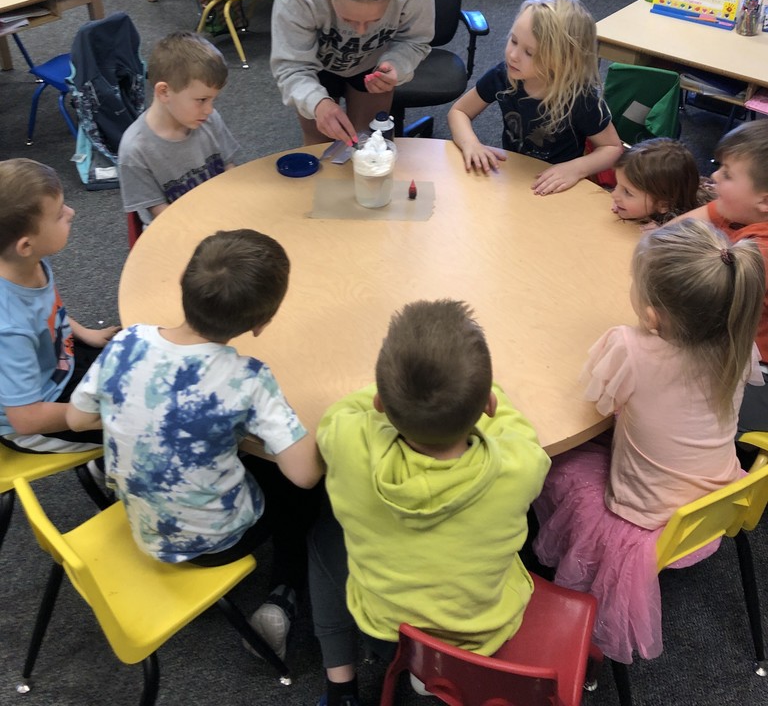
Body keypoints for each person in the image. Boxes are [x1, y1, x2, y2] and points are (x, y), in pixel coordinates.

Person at [66, 229, 323, 660]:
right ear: (261, 323)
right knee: (303, 493)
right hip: (217, 542)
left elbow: (76, 418)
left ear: (182, 286)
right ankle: (283, 593)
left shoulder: (128, 340)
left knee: (225, 444)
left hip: (143, 526)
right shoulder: (248, 378)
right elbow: (304, 473)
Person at [533, 219, 765, 664]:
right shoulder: (738, 341)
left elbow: (597, 404)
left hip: (642, 516)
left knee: (555, 461)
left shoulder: (629, 346)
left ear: (653, 314)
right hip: (717, 496)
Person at [308, 299, 550, 706]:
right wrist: (489, 396)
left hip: (386, 632)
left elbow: (341, 412)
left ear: (381, 405)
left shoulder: (351, 445)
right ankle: (435, 680)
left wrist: (391, 392)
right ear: (487, 406)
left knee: (322, 538)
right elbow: (516, 426)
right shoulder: (520, 466)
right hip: (481, 637)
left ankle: (341, 689)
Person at [270, 0, 435, 146]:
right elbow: (291, 65)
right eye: (348, 19)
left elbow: (416, 40)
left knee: (369, 143)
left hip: (373, 65)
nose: (360, 32)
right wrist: (317, 103)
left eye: (374, 20)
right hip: (314, 64)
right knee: (321, 146)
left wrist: (397, 65)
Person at [447, 0, 623, 195]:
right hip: (514, 174)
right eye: (513, 41)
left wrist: (575, 169)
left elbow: (612, 148)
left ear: (561, 60)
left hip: (558, 186)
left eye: (529, 53)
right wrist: (471, 144)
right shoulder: (503, 75)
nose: (512, 56)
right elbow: (459, 111)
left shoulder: (580, 97)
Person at [0, 159, 118, 455]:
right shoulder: (8, 327)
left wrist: (84, 334)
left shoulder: (26, 261)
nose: (72, 212)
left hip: (60, 365)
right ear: (25, 245)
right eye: (59, 213)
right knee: (159, 423)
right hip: (42, 414)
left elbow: (47, 310)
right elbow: (26, 419)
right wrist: (97, 417)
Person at [676, 119, 768, 433]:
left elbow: (695, 297)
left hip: (757, 375)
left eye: (727, 174)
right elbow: (669, 236)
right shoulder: (741, 210)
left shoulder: (760, 255)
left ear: (765, 200)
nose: (713, 175)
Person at [118, 31, 239, 223]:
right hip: (178, 231)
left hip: (221, 216)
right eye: (202, 100)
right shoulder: (135, 150)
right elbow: (162, 215)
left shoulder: (208, 119)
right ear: (164, 92)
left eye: (212, 100)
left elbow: (229, 168)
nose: (209, 109)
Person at [610, 137, 714, 227]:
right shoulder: (657, 201)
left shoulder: (689, 226)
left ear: (663, 205)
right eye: (618, 185)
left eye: (627, 192)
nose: (613, 194)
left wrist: (664, 233)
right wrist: (623, 204)